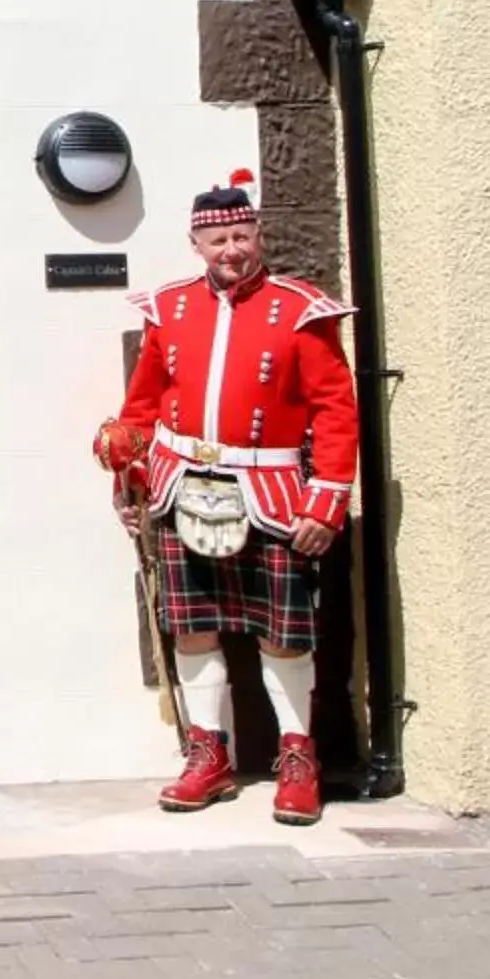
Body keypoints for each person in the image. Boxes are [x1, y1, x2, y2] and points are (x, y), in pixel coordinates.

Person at [93, 169, 356, 825]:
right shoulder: (170, 309)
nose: (232, 249)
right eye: (219, 240)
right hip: (183, 486)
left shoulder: (301, 308)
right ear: (196, 244)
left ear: (258, 234)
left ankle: (298, 759)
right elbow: (144, 405)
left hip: (271, 491)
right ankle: (208, 756)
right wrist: (128, 471)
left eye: (242, 235)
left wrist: (325, 502)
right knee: (193, 627)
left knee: (284, 634)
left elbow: (335, 410)